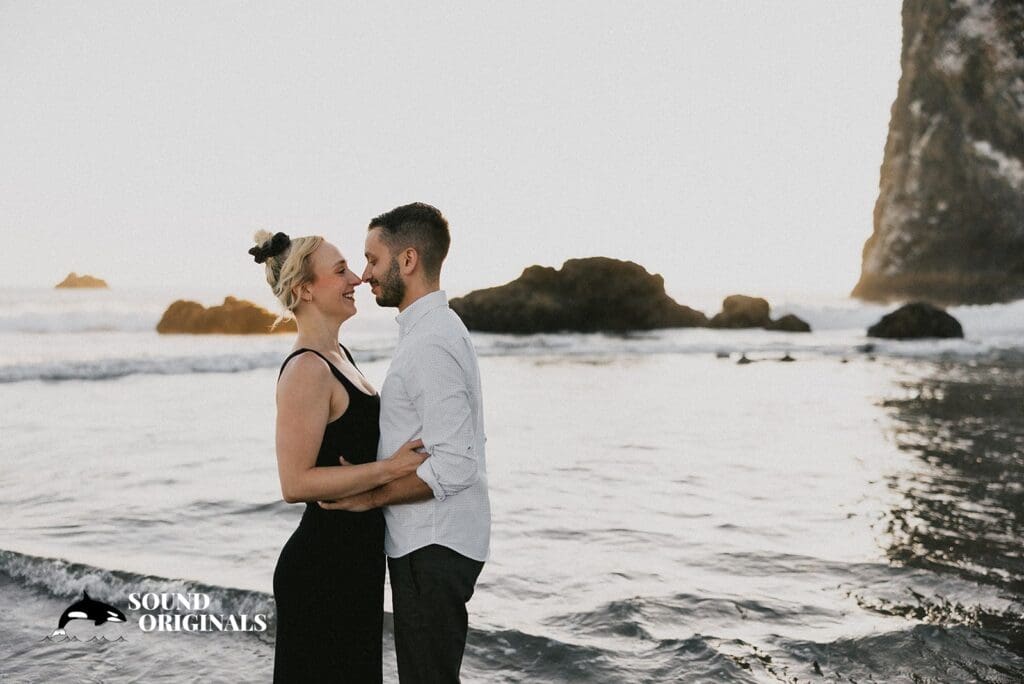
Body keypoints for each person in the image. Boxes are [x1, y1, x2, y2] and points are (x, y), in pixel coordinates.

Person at [320, 203, 491, 684]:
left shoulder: (430, 342)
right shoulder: (432, 330)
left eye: (373, 260)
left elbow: (456, 466)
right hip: (433, 544)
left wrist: (370, 497)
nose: (366, 274)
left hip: (431, 545)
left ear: (408, 260)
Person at [249, 230, 426, 683]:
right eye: (340, 271)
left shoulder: (339, 354)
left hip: (355, 565)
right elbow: (295, 483)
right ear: (305, 290)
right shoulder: (307, 368)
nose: (356, 279)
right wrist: (389, 469)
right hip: (322, 572)